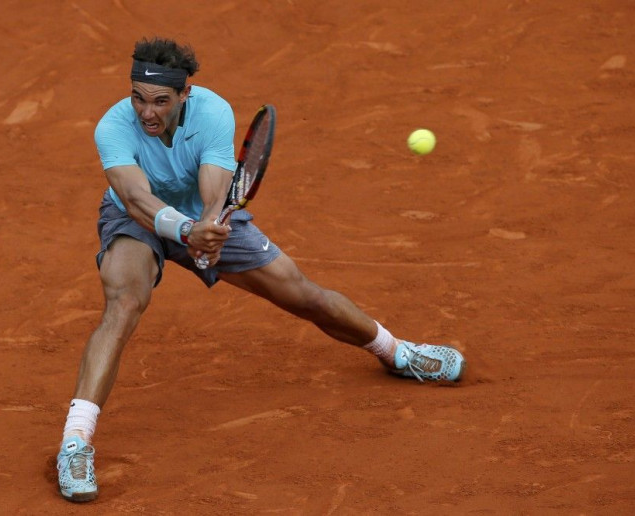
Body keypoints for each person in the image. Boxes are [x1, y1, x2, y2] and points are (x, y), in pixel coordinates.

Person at [55, 36, 466, 503]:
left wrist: (209, 225)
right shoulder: (113, 125)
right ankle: (75, 443)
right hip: (138, 222)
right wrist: (188, 231)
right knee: (124, 301)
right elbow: (135, 199)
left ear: (184, 95)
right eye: (138, 98)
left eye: (160, 101)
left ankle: (397, 353)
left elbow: (215, 190)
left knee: (302, 293)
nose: (146, 111)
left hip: (199, 218)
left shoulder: (213, 112)